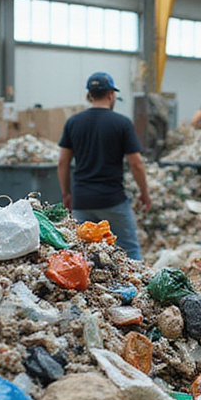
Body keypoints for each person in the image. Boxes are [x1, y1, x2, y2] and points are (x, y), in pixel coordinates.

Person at [57, 72, 151, 261]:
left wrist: (67, 194)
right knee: (130, 252)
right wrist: (145, 193)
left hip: (82, 201)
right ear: (110, 94)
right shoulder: (122, 123)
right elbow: (136, 163)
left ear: (90, 95)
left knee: (80, 254)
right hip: (113, 201)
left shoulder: (73, 123)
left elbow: (63, 162)